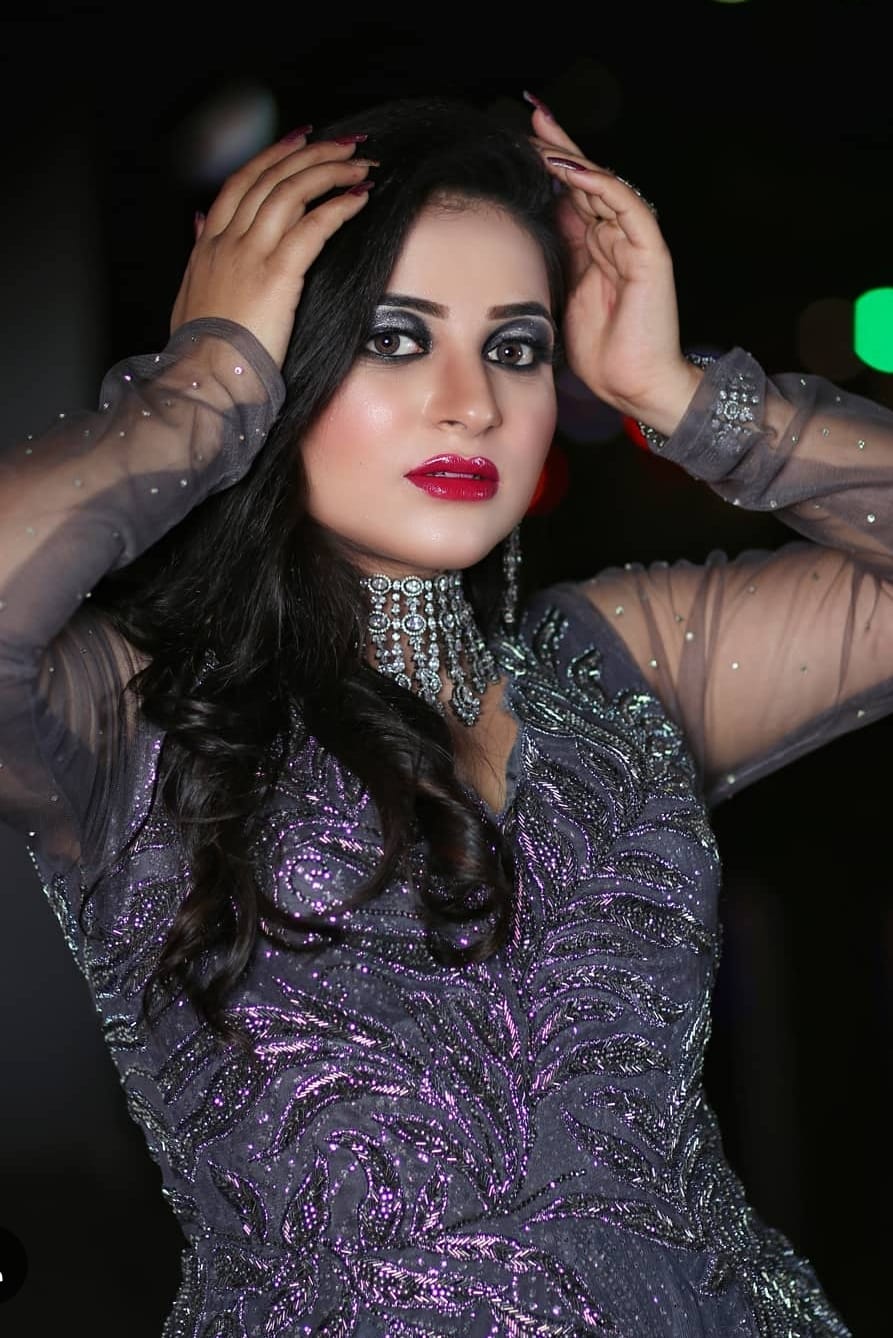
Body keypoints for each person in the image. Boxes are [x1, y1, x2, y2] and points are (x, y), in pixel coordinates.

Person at [1, 89, 889, 1337]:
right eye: (394, 337)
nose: (471, 402)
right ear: (287, 352)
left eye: (515, 347)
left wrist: (680, 394)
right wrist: (203, 381)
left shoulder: (623, 664)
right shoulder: (129, 712)